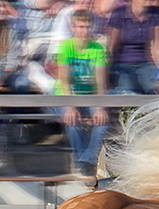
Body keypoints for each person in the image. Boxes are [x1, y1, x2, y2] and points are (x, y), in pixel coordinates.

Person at [55, 9, 108, 186]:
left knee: (103, 121)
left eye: (88, 27)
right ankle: (86, 165)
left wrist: (100, 106)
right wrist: (70, 105)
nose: (85, 31)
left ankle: (86, 160)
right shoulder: (65, 47)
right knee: (71, 120)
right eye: (81, 27)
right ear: (73, 27)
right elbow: (64, 79)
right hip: (67, 94)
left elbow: (101, 80)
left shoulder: (97, 48)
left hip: (90, 94)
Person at [106, 0, 159, 94]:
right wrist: (107, 73)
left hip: (145, 64)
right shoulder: (120, 13)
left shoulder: (156, 13)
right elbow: (112, 46)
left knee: (155, 90)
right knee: (128, 91)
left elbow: (158, 46)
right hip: (122, 64)